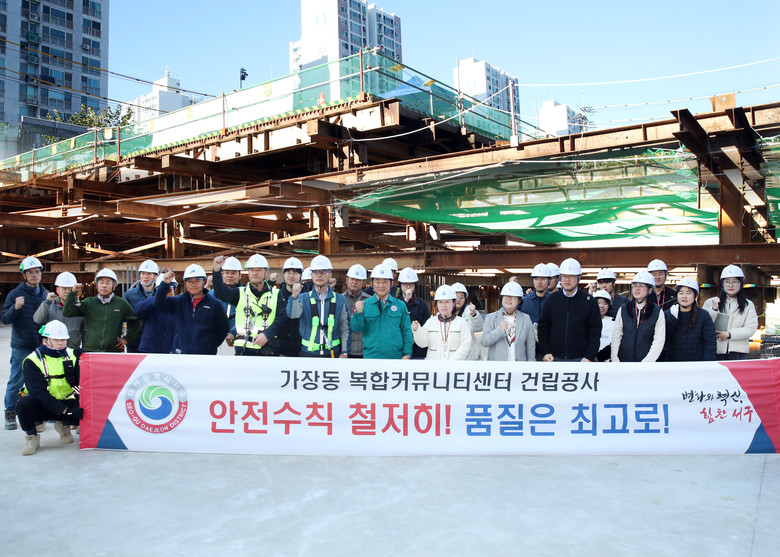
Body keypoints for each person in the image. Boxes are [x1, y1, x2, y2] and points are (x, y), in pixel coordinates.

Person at [16, 321, 83, 455]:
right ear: (45, 340)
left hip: (67, 400)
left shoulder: (74, 355)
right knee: (24, 404)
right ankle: (32, 437)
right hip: (43, 405)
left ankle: (64, 425)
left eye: (63, 339)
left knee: (88, 406)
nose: (61, 343)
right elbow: (39, 393)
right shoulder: (32, 361)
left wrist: (87, 357)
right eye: (56, 340)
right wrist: (65, 411)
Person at [2, 256, 50, 430]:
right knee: (16, 381)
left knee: (40, 382)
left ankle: (38, 414)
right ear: (24, 275)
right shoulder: (15, 294)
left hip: (41, 347)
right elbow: (4, 319)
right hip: (22, 345)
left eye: (37, 271)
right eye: (30, 272)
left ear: (41, 273)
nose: (34, 275)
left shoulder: (46, 295)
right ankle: (10, 413)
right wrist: (15, 308)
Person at [212, 254, 287, 356]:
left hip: (268, 347)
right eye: (252, 270)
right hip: (243, 349)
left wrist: (267, 334)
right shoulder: (239, 293)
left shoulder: (276, 294)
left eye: (259, 270)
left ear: (266, 273)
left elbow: (282, 318)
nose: (255, 273)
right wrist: (216, 270)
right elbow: (220, 293)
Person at [154, 265, 229, 355]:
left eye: (197, 281)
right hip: (180, 354)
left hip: (206, 355)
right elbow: (158, 302)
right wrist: (165, 283)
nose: (193, 284)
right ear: (185, 283)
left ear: (204, 281)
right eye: (189, 281)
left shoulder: (215, 304)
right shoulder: (179, 301)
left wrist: (210, 346)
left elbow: (223, 329)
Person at [537, 258, 601, 362]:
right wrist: (545, 351)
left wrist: (590, 356)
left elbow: (595, 332)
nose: (567, 280)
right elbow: (543, 327)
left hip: (581, 360)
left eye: (571, 276)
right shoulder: (552, 300)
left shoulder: (589, 302)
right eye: (564, 276)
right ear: (560, 278)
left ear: (579, 277)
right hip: (554, 358)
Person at [62, 268, 141, 353]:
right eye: (101, 282)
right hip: (91, 350)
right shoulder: (89, 302)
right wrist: (72, 293)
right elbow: (68, 312)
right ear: (96, 286)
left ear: (114, 286)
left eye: (108, 282)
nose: (104, 285)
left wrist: (127, 338)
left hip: (113, 351)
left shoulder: (121, 304)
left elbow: (137, 321)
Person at [287, 255, 350, 358]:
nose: (319, 275)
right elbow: (293, 315)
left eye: (323, 272)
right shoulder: (303, 298)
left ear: (330, 275)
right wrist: (294, 296)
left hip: (332, 354)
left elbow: (345, 327)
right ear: (311, 275)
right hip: (308, 354)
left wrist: (344, 352)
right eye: (316, 272)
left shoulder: (340, 299)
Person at [350, 264, 413, 359]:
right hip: (371, 357)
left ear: (391, 284)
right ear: (371, 284)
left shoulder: (400, 305)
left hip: (395, 358)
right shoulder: (364, 305)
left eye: (385, 282)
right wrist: (358, 314)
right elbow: (356, 328)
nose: (381, 285)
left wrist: (407, 354)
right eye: (377, 282)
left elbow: (407, 331)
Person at [702, 265, 758, 360]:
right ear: (722, 283)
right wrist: (714, 309)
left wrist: (729, 334)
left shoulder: (748, 305)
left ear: (740, 283)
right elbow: (704, 324)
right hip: (715, 350)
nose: (730, 285)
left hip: (738, 352)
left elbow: (750, 328)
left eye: (735, 282)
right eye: (727, 282)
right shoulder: (710, 302)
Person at [611, 271, 665, 362]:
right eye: (635, 285)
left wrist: (646, 363)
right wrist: (615, 359)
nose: (637, 289)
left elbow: (659, 341)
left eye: (641, 286)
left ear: (650, 290)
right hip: (623, 363)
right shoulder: (624, 309)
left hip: (646, 365)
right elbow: (616, 336)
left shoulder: (657, 312)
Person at [412, 285, 472, 360]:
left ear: (453, 303)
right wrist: (417, 330)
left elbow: (465, 345)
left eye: (447, 302)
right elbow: (423, 343)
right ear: (436, 304)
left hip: (454, 365)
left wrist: (453, 362)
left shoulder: (461, 322)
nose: (444, 306)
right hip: (434, 365)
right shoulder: (431, 322)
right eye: (440, 302)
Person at [664, 278, 716, 362]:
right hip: (673, 364)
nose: (684, 296)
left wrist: (707, 363)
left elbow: (710, 342)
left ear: (695, 296)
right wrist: (672, 318)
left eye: (688, 293)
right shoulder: (668, 314)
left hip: (696, 364)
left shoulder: (704, 316)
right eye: (681, 293)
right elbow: (663, 338)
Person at [482, 282, 535, 361]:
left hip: (519, 366)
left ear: (519, 300)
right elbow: (485, 342)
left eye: (513, 296)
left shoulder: (526, 319)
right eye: (506, 296)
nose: (508, 299)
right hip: (498, 366)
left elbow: (530, 345)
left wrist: (531, 365)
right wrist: (500, 330)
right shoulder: (491, 318)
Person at [33, 271, 85, 350]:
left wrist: (84, 350)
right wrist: (47, 302)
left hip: (73, 351)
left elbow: (85, 331)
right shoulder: (49, 306)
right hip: (52, 350)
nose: (67, 291)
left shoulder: (80, 308)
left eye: (70, 289)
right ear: (57, 290)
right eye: (64, 288)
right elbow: (37, 320)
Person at [133, 275, 178, 354]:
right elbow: (137, 312)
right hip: (149, 349)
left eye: (170, 288)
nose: (168, 291)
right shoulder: (151, 303)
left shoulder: (179, 304)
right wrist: (158, 298)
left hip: (171, 350)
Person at [122, 259, 159, 353]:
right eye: (143, 273)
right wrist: (125, 338)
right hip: (135, 343)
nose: (145, 276)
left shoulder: (161, 296)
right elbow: (120, 318)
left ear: (156, 276)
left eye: (149, 273)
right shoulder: (129, 295)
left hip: (156, 343)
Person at [398, 267, 431, 360]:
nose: (408, 287)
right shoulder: (395, 303)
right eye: (405, 284)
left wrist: (416, 337)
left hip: (419, 349)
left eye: (411, 285)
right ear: (400, 285)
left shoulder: (422, 304)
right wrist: (406, 300)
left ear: (415, 285)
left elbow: (427, 324)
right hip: (400, 348)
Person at [276, 257, 304, 357]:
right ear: (284, 275)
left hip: (301, 348)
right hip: (280, 348)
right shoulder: (276, 295)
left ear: (301, 275)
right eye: (288, 273)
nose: (291, 276)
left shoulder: (306, 295)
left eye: (295, 273)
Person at [343, 264, 371, 358]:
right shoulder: (339, 300)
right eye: (352, 279)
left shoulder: (370, 301)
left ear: (363, 282)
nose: (354, 282)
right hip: (344, 351)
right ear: (347, 279)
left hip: (364, 351)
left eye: (358, 280)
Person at [452, 282, 483, 360]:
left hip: (469, 355)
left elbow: (478, 328)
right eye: (456, 297)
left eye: (461, 297)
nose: (458, 299)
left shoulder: (469, 311)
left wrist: (474, 314)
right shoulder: (444, 313)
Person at [593, 289, 615, 362]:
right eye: (598, 303)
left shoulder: (614, 322)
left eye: (605, 303)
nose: (601, 306)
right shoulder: (586, 321)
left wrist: (600, 357)